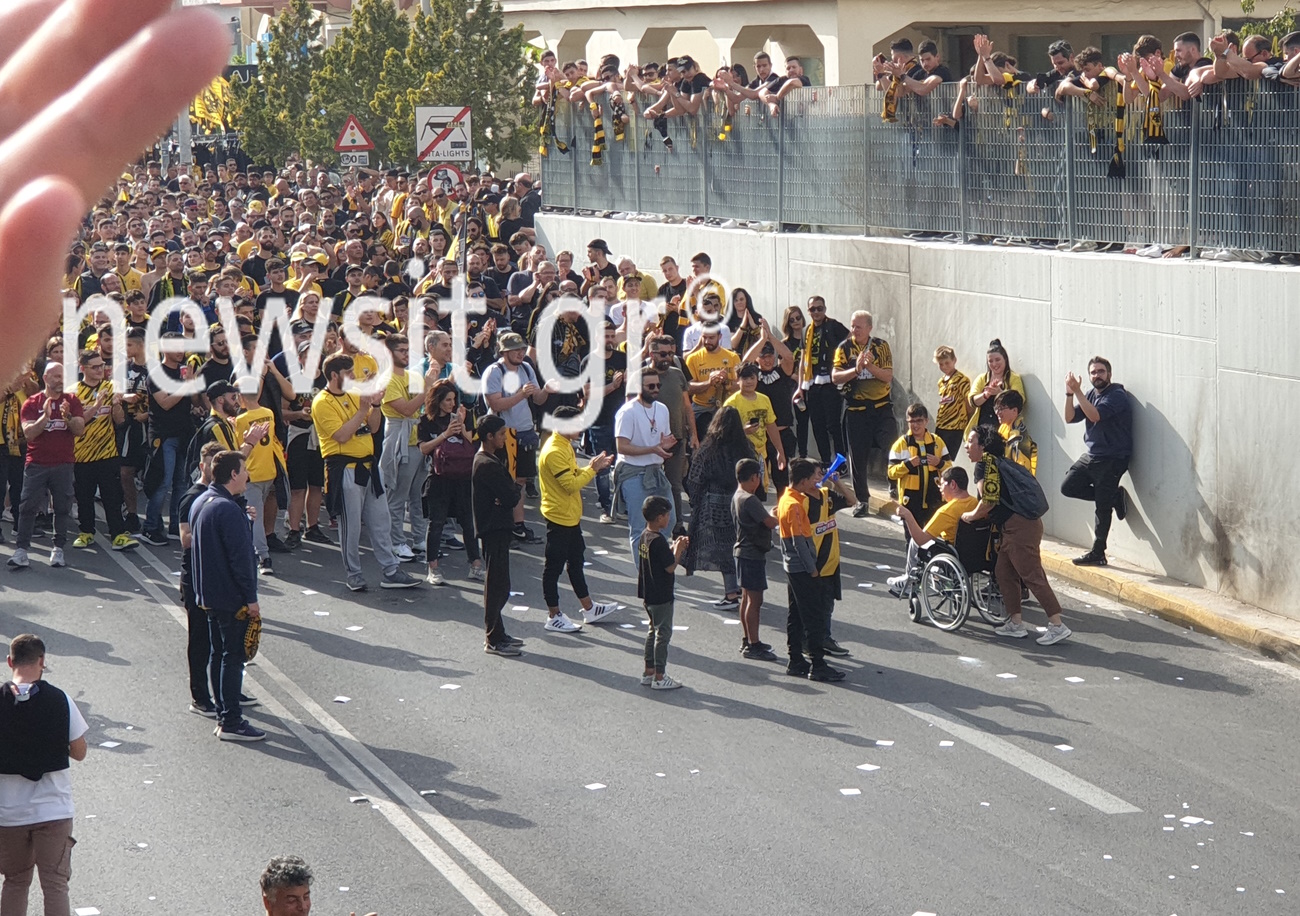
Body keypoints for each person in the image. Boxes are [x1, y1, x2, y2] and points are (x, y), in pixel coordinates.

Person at [311, 353, 420, 592]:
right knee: (351, 527)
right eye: (348, 373)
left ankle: (390, 570)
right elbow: (341, 435)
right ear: (333, 375)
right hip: (345, 469)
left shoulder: (354, 395)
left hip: (369, 467)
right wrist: (362, 411)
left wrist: (376, 405)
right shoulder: (322, 402)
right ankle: (354, 573)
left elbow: (373, 427)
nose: (353, 377)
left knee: (381, 521)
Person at [0, 634, 89, 916]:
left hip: (8, 812)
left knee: (15, 882)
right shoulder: (60, 699)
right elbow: (79, 751)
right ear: (42, 661)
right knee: (54, 885)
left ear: (10, 661)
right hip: (53, 810)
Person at [962, 426, 1071, 645]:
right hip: (1022, 524)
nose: (966, 445)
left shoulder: (984, 465)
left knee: (1031, 575)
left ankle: (1057, 625)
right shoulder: (1002, 463)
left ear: (982, 446)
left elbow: (988, 501)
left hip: (1018, 527)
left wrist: (970, 516)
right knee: (1004, 572)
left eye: (971, 441)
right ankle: (1015, 623)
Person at [190, 450, 265, 741]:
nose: (247, 474)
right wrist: (251, 599)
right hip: (230, 598)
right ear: (233, 474)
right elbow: (241, 559)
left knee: (219, 655)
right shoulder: (227, 510)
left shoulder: (203, 501)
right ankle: (231, 720)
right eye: (244, 470)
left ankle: (224, 713)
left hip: (208, 594)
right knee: (233, 658)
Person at [538, 405, 618, 632]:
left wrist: (592, 466)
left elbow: (573, 476)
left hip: (569, 517)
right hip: (559, 517)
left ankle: (589, 608)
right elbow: (570, 485)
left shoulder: (564, 446)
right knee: (553, 568)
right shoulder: (554, 451)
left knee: (576, 562)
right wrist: (592, 469)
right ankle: (553, 616)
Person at [778, 458, 856, 680]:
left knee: (796, 614)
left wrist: (836, 483)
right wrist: (812, 569)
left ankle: (795, 660)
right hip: (805, 568)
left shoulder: (791, 498)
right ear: (803, 481)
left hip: (802, 567)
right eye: (814, 476)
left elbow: (852, 501)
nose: (819, 478)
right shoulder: (795, 504)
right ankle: (818, 665)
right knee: (813, 617)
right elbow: (799, 542)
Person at [9, 363, 84, 570]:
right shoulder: (32, 403)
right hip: (37, 463)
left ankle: (58, 549)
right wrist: (45, 417)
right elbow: (29, 433)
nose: (60, 380)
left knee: (62, 507)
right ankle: (22, 550)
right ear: (45, 377)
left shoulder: (72, 401)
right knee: (28, 507)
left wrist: (67, 417)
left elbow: (80, 430)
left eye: (63, 376)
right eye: (56, 376)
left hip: (63, 464)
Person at [1062, 356, 1132, 567]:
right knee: (1068, 487)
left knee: (1101, 508)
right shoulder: (1091, 394)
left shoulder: (1117, 395)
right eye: (1093, 372)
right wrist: (1068, 393)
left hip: (1113, 457)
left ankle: (1098, 553)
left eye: (1101, 371)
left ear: (1109, 374)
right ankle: (1113, 497)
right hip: (1092, 455)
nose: (1097, 376)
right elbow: (1069, 417)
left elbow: (1095, 416)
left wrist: (1078, 392)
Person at [685, 406, 756, 610]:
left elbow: (695, 478)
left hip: (715, 504)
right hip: (741, 501)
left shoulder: (708, 448)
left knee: (724, 549)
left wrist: (696, 502)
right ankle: (743, 587)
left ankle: (731, 593)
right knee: (739, 545)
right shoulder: (746, 447)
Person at [481, 331, 547, 545]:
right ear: (504, 352)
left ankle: (517, 525)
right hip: (504, 433)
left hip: (525, 431)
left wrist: (547, 390)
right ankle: (502, 525)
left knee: (520, 479)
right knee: (504, 483)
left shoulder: (527, 368)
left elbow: (537, 399)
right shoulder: (494, 372)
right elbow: (495, 404)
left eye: (521, 349)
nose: (520, 353)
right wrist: (521, 394)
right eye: (515, 350)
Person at [418, 381, 484, 585]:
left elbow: (473, 443)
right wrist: (445, 435)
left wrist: (462, 427)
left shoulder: (462, 417)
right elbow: (424, 449)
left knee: (468, 523)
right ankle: (433, 567)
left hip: (463, 478)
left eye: (454, 400)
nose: (451, 404)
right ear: (437, 401)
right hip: (439, 478)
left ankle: (475, 565)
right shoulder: (426, 421)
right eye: (448, 400)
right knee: (436, 522)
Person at [71, 349, 137, 551]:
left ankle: (118, 534)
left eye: (102, 366)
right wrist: (98, 403)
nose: (101, 370)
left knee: (112, 495)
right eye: (95, 366)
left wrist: (117, 404)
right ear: (83, 368)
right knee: (84, 496)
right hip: (82, 455)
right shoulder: (73, 392)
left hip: (107, 453)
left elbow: (120, 421)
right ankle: (86, 532)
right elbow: (78, 423)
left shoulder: (110, 387)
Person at [472, 416, 526, 656]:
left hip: (498, 526)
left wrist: (506, 493)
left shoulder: (490, 460)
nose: (506, 438)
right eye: (502, 434)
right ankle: (493, 638)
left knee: (500, 582)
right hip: (493, 528)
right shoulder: (487, 464)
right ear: (489, 437)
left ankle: (499, 632)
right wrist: (510, 491)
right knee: (497, 585)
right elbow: (512, 496)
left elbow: (506, 494)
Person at [832, 310, 894, 516]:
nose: (854, 330)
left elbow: (887, 376)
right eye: (852, 326)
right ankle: (862, 500)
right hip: (856, 409)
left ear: (869, 328)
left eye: (858, 326)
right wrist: (856, 370)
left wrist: (869, 366)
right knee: (858, 456)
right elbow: (836, 377)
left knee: (892, 446)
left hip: (881, 407)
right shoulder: (844, 348)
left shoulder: (880, 346)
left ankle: (893, 483)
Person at [613, 364, 677, 563]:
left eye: (658, 385)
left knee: (669, 521)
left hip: (656, 471)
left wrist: (665, 446)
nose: (656, 389)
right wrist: (652, 449)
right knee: (640, 527)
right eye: (651, 386)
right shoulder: (627, 412)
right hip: (634, 473)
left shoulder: (662, 409)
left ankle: (658, 565)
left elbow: (661, 439)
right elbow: (621, 447)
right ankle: (645, 577)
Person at [379, 334, 433, 564]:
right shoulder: (386, 380)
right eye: (401, 350)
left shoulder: (412, 375)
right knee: (397, 495)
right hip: (399, 439)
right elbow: (408, 409)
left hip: (418, 440)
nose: (406, 353)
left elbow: (425, 405)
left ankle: (420, 539)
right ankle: (396, 541)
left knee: (418, 495)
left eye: (407, 349)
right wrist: (427, 387)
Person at [179, 441, 224, 717]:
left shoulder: (222, 495)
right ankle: (200, 697)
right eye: (210, 463)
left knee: (223, 641)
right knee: (200, 641)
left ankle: (226, 689)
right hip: (195, 578)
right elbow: (185, 539)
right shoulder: (192, 497)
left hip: (218, 578)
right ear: (202, 466)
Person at [887, 466, 978, 597]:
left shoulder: (947, 511)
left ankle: (909, 579)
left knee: (914, 542)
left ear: (952, 485)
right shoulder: (975, 504)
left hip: (954, 554)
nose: (939, 488)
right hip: (975, 554)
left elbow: (921, 538)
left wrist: (908, 516)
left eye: (941, 484)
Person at [638, 495, 689, 690]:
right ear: (659, 517)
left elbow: (658, 557)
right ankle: (660, 676)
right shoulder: (658, 540)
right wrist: (679, 550)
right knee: (663, 634)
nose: (669, 519)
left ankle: (648, 671)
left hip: (648, 593)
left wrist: (674, 547)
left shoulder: (645, 536)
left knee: (652, 630)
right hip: (662, 594)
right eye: (667, 515)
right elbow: (669, 566)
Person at [733, 458, 779, 661]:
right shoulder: (750, 500)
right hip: (752, 554)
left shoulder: (737, 495)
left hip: (742, 552)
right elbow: (769, 522)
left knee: (746, 598)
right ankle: (753, 643)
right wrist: (777, 513)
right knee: (755, 600)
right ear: (754, 477)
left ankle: (748, 639)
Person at [798, 296, 848, 464]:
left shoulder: (834, 325)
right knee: (817, 425)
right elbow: (803, 360)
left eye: (819, 308)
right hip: (811, 383)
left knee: (833, 425)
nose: (816, 312)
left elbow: (851, 341)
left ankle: (841, 463)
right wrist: (800, 386)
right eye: (813, 309)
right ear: (809, 311)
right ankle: (826, 461)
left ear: (825, 309)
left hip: (830, 383)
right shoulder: (806, 331)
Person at [886, 402, 951, 533]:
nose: (915, 425)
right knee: (912, 539)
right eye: (911, 421)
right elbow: (891, 473)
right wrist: (908, 465)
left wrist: (939, 463)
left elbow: (950, 469)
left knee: (933, 538)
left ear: (926, 421)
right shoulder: (901, 444)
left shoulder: (937, 441)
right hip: (910, 502)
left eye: (919, 421)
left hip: (934, 499)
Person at [724, 363, 786, 497]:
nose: (749, 382)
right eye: (745, 378)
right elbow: (723, 433)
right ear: (738, 380)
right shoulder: (731, 403)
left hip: (759, 456)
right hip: (738, 456)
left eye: (752, 378)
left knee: (758, 496)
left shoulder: (764, 400)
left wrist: (780, 451)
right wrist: (743, 431)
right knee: (740, 496)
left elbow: (771, 426)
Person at [966, 339, 1025, 434]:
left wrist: (1001, 393)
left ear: (1005, 359)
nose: (994, 364)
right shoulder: (982, 378)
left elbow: (1020, 400)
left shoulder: (1013, 378)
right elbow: (972, 401)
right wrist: (986, 394)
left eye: (997, 360)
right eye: (990, 361)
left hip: (1005, 428)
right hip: (983, 428)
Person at [933, 345, 972, 458]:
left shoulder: (961, 379)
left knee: (946, 458)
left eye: (947, 363)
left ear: (954, 360)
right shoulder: (941, 381)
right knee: (936, 456)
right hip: (941, 425)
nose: (944, 366)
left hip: (955, 426)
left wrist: (968, 423)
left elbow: (968, 402)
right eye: (941, 364)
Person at [994, 389, 1038, 475]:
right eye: (996, 408)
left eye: (1001, 408)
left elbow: (1022, 471)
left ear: (1014, 411)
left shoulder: (1019, 437)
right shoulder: (1004, 427)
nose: (997, 412)